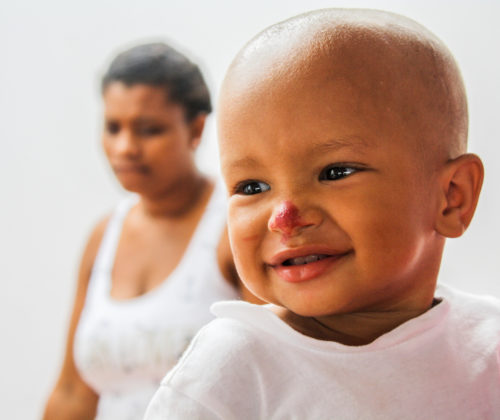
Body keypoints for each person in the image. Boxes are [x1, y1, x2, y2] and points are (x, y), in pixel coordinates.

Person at [144, 9, 500, 419]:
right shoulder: (237, 365)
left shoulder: (487, 345)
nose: (284, 216)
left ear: (452, 197)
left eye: (335, 173)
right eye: (252, 187)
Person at [43, 42, 257, 420]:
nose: (125, 148)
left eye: (148, 130)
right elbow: (74, 391)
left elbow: (274, 375)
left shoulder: (233, 228)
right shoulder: (104, 237)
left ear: (196, 128)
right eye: (113, 128)